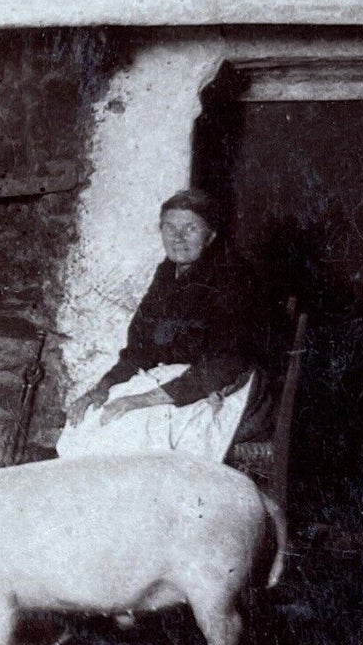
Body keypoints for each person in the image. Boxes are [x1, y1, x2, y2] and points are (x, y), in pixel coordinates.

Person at [57, 187, 265, 462]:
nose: (178, 238)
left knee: (130, 431)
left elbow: (226, 364)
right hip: (177, 381)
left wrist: (140, 400)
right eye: (169, 228)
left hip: (223, 387)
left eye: (190, 228)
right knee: (92, 419)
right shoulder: (167, 273)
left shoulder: (233, 276)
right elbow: (140, 351)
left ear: (211, 235)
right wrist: (101, 389)